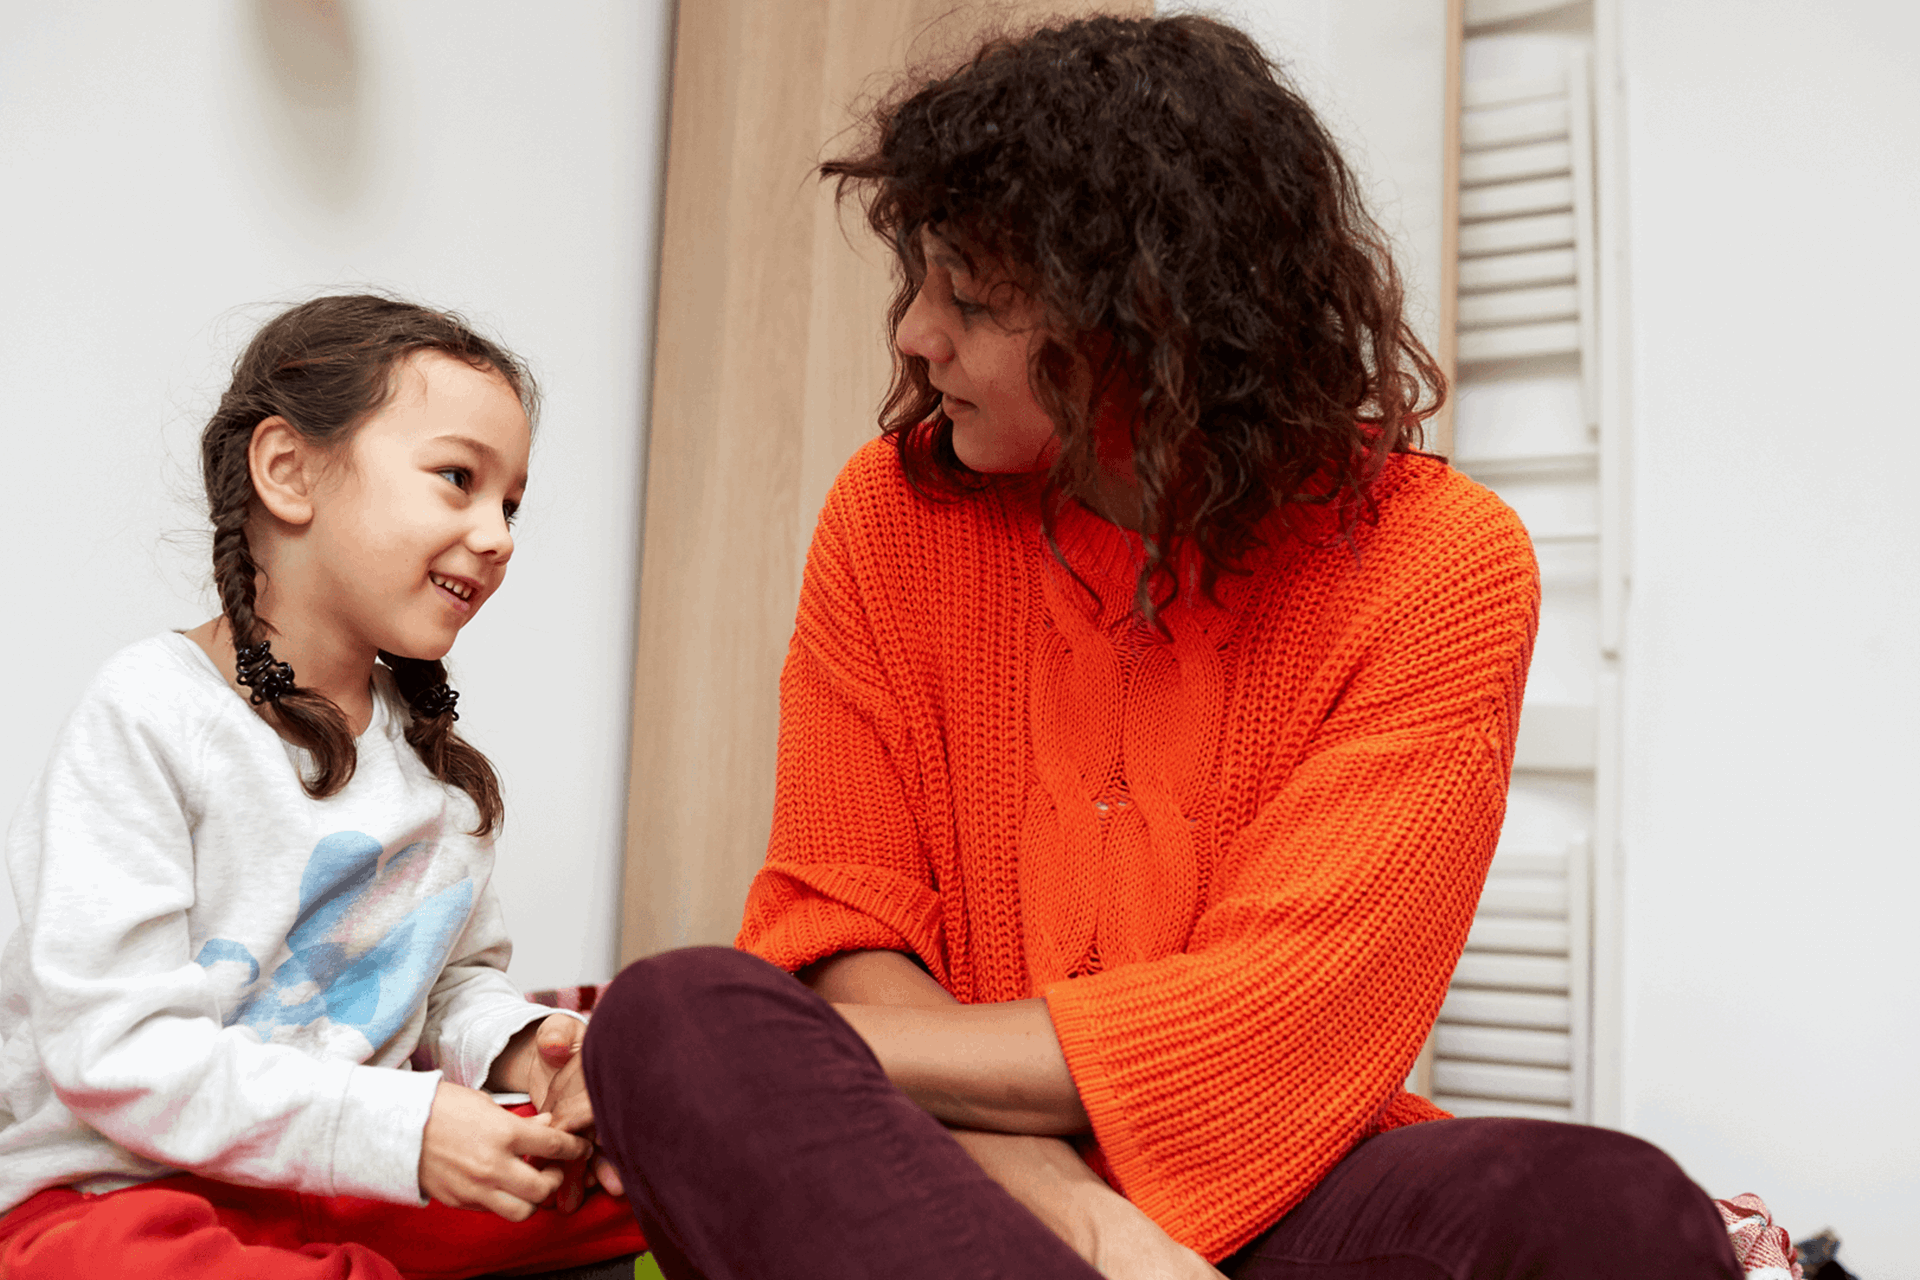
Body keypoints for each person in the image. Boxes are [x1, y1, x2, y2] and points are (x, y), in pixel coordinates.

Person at [575, 15, 1742, 1280]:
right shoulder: (888, 513)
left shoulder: (1442, 563)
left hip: (1282, 1181)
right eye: (918, 279)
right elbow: (843, 934)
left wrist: (829, 1040)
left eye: (969, 295)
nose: (915, 334)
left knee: (1610, 1206)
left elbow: (1277, 1027)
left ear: (1153, 319)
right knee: (676, 1018)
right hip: (941, 1166)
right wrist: (1092, 1225)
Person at [0, 296, 645, 1278]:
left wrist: (536, 1051)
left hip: (343, 1177)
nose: (499, 533)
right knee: (107, 1258)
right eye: (459, 479)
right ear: (288, 471)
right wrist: (411, 1124)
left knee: (643, 1164)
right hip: (116, 1187)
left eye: (509, 503)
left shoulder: (437, 772)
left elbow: (448, 990)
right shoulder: (148, 712)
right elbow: (114, 1053)